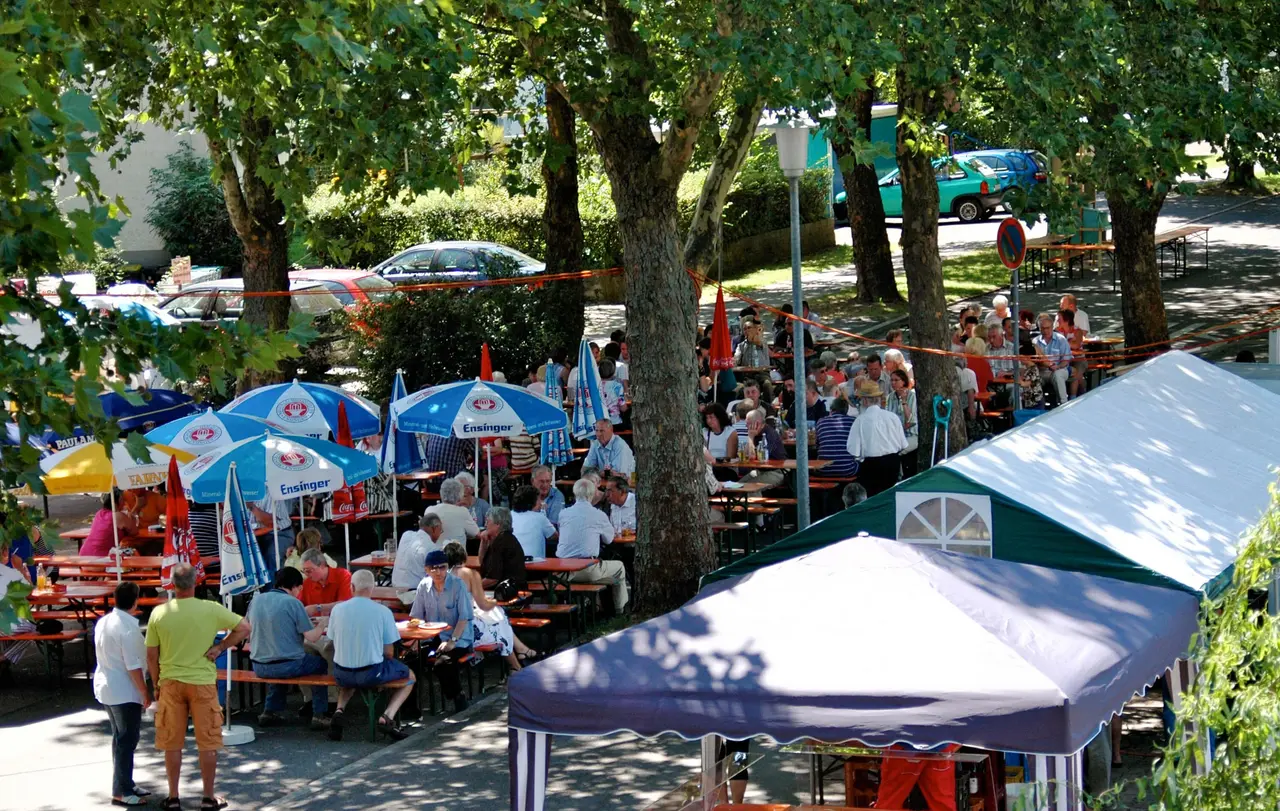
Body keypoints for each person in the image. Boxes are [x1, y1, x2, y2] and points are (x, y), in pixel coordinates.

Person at [145, 562, 250, 811]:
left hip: (171, 681)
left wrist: (157, 684)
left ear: (172, 583)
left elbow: (151, 655)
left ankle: (172, 797)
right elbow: (244, 626)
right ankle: (208, 797)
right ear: (196, 582)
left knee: (172, 742)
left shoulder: (160, 613)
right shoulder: (210, 609)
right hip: (202, 681)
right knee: (208, 742)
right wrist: (220, 647)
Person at [327, 570, 416, 740]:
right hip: (370, 673)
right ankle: (387, 716)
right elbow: (389, 652)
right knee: (410, 676)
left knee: (350, 673)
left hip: (341, 673)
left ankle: (339, 710)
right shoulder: (383, 612)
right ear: (373, 588)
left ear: (351, 587)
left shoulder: (337, 610)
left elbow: (331, 641)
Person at [246, 567, 332, 729]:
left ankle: (270, 711)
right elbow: (312, 637)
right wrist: (322, 624)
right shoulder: (293, 603)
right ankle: (319, 714)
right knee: (320, 664)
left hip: (259, 665)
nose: (300, 591)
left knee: (278, 658)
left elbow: (247, 631)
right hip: (288, 665)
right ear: (293, 586)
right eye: (299, 588)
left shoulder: (256, 600)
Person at [94, 581, 152, 807]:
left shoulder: (104, 621)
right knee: (127, 740)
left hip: (107, 685)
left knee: (121, 739)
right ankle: (121, 790)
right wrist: (145, 692)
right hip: (124, 691)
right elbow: (133, 667)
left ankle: (125, 783)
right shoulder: (128, 629)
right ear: (135, 601)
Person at [442, 541, 538, 671]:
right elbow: (483, 604)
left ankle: (519, 655)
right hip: (466, 628)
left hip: (446, 626)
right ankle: (516, 664)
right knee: (499, 618)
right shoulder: (469, 574)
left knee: (498, 618)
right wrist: (495, 601)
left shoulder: (441, 576)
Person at [408, 550, 474, 713]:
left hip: (458, 637)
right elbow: (416, 616)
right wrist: (413, 640)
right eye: (433, 568)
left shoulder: (458, 585)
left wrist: (452, 641)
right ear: (426, 570)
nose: (438, 572)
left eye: (442, 567)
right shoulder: (423, 586)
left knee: (443, 663)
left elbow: (464, 618)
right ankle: (409, 708)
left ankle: (458, 696)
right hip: (431, 637)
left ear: (448, 568)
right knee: (409, 661)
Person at [556, 479, 629, 614]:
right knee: (619, 567)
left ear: (575, 493)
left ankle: (593, 606)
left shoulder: (563, 514)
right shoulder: (599, 515)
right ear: (593, 494)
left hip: (563, 572)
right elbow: (609, 539)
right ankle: (619, 610)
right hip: (587, 570)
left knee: (604, 573)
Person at [845, 379, 906, 496]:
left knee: (873, 499)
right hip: (892, 463)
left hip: (871, 466)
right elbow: (903, 445)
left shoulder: (860, 420)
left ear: (866, 401)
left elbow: (853, 450)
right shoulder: (892, 417)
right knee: (890, 497)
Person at [478, 506, 527, 590]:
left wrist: (470, 587)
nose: (485, 525)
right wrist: (483, 541)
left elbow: (493, 579)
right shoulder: (502, 538)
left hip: (509, 591)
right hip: (507, 589)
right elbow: (482, 562)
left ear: (498, 524)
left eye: (488, 521)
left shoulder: (501, 542)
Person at [392, 514, 444, 589]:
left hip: (396, 588)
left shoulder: (406, 535)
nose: (440, 534)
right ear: (434, 529)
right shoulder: (432, 547)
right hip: (416, 592)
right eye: (440, 531)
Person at [424, 478, 481, 545]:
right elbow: (476, 533)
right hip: (457, 553)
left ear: (441, 492)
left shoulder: (429, 510)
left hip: (434, 553)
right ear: (460, 495)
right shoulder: (462, 511)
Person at [885, 369, 920, 478]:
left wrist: (904, 401)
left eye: (896, 380)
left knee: (895, 451)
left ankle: (900, 476)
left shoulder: (912, 396)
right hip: (895, 435)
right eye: (891, 380)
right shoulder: (890, 397)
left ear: (903, 381)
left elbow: (911, 420)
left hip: (910, 435)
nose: (893, 383)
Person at [1033, 312, 1073, 406]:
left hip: (1059, 369)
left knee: (1058, 375)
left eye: (1048, 328)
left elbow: (1066, 359)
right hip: (1042, 371)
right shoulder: (1035, 341)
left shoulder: (1061, 339)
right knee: (1032, 377)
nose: (1046, 331)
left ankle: (1063, 404)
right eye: (1043, 328)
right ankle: (1038, 405)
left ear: (1052, 327)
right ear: (1039, 328)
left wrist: (1058, 366)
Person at [81, 491, 137, 557]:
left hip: (84, 553)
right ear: (118, 500)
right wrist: (133, 510)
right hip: (99, 557)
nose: (124, 503)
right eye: (123, 500)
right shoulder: (118, 516)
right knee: (134, 553)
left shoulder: (99, 513)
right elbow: (134, 532)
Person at [299, 548, 353, 616]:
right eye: (303, 571)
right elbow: (298, 606)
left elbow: (346, 604)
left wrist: (318, 608)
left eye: (308, 571)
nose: (306, 574)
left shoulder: (343, 575)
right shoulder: (306, 583)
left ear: (322, 565)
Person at [815, 398, 858, 478]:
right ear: (846, 411)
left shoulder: (821, 422)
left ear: (831, 410)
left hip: (823, 470)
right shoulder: (853, 421)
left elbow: (817, 446)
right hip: (847, 469)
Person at [511, 485, 557, 559]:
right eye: (539, 499)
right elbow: (554, 536)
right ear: (533, 502)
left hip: (513, 562)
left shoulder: (509, 515)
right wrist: (542, 512)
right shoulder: (540, 517)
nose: (541, 502)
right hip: (535, 563)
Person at [250, 495, 292, 574]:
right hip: (253, 534)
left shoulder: (269, 492)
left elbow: (271, 523)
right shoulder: (236, 493)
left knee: (272, 556)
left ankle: (273, 585)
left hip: (279, 533)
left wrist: (252, 507)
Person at [1057, 308, 1087, 398]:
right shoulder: (1058, 331)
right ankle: (1081, 393)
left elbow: (1077, 345)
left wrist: (1064, 343)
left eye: (1059, 319)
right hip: (1064, 358)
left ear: (1067, 320)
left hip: (1079, 359)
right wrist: (1069, 343)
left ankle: (1073, 397)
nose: (1057, 320)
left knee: (1076, 373)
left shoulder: (1078, 331)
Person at [598, 358, 627, 425]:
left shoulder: (595, 386)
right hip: (615, 422)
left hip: (598, 424)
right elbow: (623, 408)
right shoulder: (617, 386)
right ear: (613, 371)